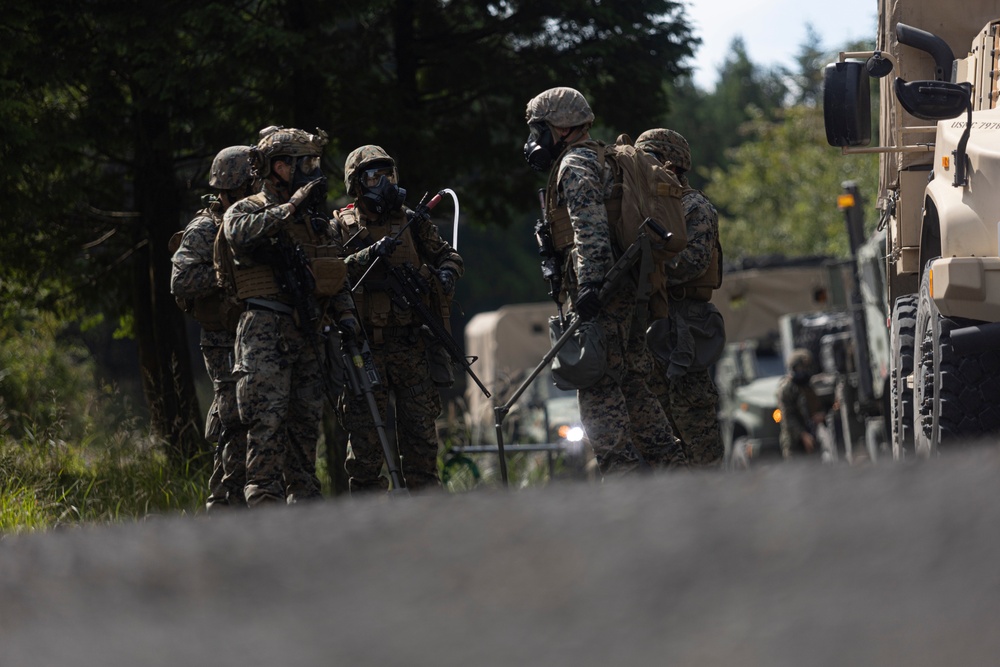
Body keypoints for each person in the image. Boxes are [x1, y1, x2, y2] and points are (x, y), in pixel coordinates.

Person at [523, 87, 686, 475]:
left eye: (538, 129)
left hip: (603, 293)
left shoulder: (575, 165)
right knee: (632, 382)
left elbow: (589, 229)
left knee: (596, 387)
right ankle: (673, 470)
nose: (533, 140)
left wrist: (591, 287)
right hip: (628, 288)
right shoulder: (604, 158)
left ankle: (623, 477)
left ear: (559, 128)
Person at [222, 126, 356, 506]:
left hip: (307, 333)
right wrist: (291, 206)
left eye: (315, 162)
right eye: (305, 163)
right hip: (264, 332)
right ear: (279, 167)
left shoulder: (316, 224)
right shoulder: (247, 208)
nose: (314, 170)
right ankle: (264, 506)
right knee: (266, 426)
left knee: (304, 427)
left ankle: (304, 511)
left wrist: (346, 317)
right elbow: (241, 234)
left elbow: (336, 272)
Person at [331, 145, 462, 493]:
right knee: (366, 448)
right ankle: (371, 522)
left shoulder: (412, 222)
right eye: (374, 177)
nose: (384, 184)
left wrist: (445, 275)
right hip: (364, 350)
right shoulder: (341, 226)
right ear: (356, 185)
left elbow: (448, 255)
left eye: (388, 175)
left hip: (410, 345)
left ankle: (426, 516)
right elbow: (330, 275)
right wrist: (368, 254)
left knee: (421, 440)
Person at [170, 145, 256, 510]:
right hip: (223, 340)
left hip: (258, 336)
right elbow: (181, 280)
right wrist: (227, 275)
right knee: (234, 422)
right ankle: (223, 507)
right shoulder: (206, 228)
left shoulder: (254, 220)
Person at [635, 128, 726, 468]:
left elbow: (691, 263)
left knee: (695, 429)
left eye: (649, 161)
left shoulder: (694, 207)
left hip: (684, 329)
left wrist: (646, 266)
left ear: (670, 165)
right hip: (654, 328)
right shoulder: (649, 209)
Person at [776, 348, 826, 460]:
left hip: (813, 434)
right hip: (794, 440)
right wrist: (803, 435)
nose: (805, 370)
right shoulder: (787, 389)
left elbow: (818, 406)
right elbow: (788, 417)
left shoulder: (809, 386)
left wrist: (821, 415)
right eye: (802, 367)